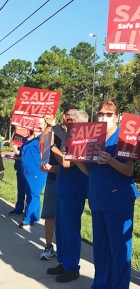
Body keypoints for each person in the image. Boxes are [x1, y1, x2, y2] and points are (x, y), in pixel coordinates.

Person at [75, 99, 140, 289]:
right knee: (101, 249)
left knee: (119, 249)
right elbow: (90, 171)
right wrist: (76, 158)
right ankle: (101, 284)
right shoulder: (93, 137)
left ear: (117, 116)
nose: (104, 117)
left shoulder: (124, 137)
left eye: (109, 114)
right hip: (98, 199)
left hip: (118, 200)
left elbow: (128, 170)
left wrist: (111, 160)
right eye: (101, 113)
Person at [46, 109, 89, 283]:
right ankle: (64, 262)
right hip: (63, 188)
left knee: (70, 230)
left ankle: (72, 267)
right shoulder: (72, 137)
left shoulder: (84, 139)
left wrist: (53, 147)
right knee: (61, 229)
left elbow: (67, 161)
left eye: (70, 120)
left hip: (74, 190)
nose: (66, 122)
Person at [39, 105, 78, 260]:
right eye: (69, 116)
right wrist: (48, 126)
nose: (71, 119)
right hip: (54, 179)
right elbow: (42, 144)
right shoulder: (54, 129)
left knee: (67, 219)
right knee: (50, 215)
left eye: (74, 116)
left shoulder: (80, 133)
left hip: (70, 180)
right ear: (64, 116)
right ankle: (49, 247)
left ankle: (66, 253)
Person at [19, 120, 48, 229]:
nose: (35, 123)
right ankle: (35, 216)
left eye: (38, 122)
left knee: (33, 195)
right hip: (26, 170)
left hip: (36, 171)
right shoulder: (28, 139)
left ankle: (28, 220)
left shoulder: (43, 138)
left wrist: (47, 127)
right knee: (30, 195)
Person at [8, 143, 26, 215]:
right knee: (20, 190)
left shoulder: (35, 140)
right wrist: (16, 155)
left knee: (29, 192)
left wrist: (17, 151)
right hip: (19, 168)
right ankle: (19, 208)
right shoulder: (22, 140)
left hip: (28, 170)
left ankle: (28, 212)